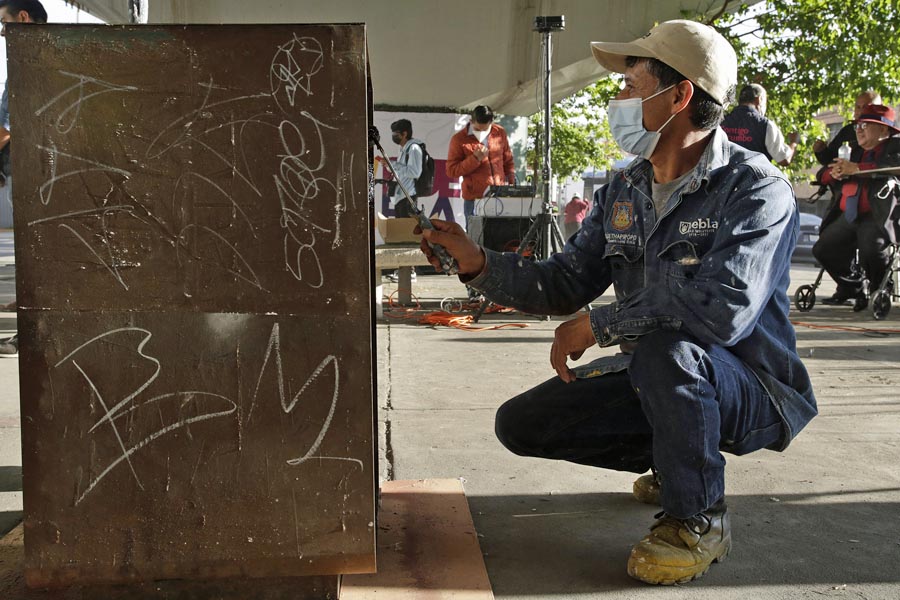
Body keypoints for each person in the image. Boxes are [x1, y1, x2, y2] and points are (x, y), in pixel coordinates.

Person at [417, 20, 815, 586]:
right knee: (523, 424)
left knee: (666, 348)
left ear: (678, 96)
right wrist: (477, 261)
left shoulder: (756, 190)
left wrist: (600, 323)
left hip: (753, 386)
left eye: (631, 86)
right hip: (662, 370)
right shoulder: (624, 189)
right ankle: (676, 456)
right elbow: (563, 281)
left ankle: (698, 516)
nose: (618, 99)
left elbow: (721, 309)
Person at [812, 104, 900, 310]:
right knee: (823, 249)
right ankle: (853, 286)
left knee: (871, 247)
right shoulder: (852, 148)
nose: (859, 129)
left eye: (866, 125)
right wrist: (833, 173)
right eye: (858, 125)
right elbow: (823, 172)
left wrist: (859, 169)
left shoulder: (895, 146)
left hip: (877, 215)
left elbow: (893, 166)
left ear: (884, 130)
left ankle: (880, 289)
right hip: (848, 213)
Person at [0, 0, 47, 356]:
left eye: (4, 22)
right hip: (33, 172)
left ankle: (28, 335)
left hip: (37, 175)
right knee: (33, 252)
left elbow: (10, 124)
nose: (2, 30)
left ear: (22, 18)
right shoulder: (37, 61)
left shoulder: (33, 64)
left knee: (38, 253)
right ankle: (27, 314)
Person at [446, 105, 514, 230]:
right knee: (475, 238)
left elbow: (508, 161)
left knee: (500, 236)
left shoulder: (500, 133)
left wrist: (511, 183)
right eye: (478, 129)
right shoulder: (459, 139)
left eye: (486, 129)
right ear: (471, 122)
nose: (482, 133)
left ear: (491, 122)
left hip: (499, 196)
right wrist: (475, 159)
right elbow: (451, 171)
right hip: (474, 199)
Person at [375, 119, 424, 282]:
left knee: (408, 234)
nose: (394, 137)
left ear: (405, 133)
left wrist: (393, 164)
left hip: (408, 194)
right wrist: (388, 165)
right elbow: (400, 171)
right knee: (402, 234)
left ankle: (411, 271)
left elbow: (414, 172)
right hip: (400, 194)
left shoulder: (414, 148)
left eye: (396, 134)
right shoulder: (404, 148)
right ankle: (402, 269)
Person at [721, 83, 798, 166]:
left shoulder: (720, 121)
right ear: (759, 99)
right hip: (752, 178)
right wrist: (794, 142)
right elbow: (784, 159)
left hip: (719, 178)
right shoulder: (766, 125)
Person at [813, 90, 881, 167]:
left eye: (865, 107)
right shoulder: (848, 131)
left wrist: (856, 168)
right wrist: (821, 151)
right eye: (858, 107)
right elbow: (830, 158)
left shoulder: (890, 142)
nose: (861, 111)